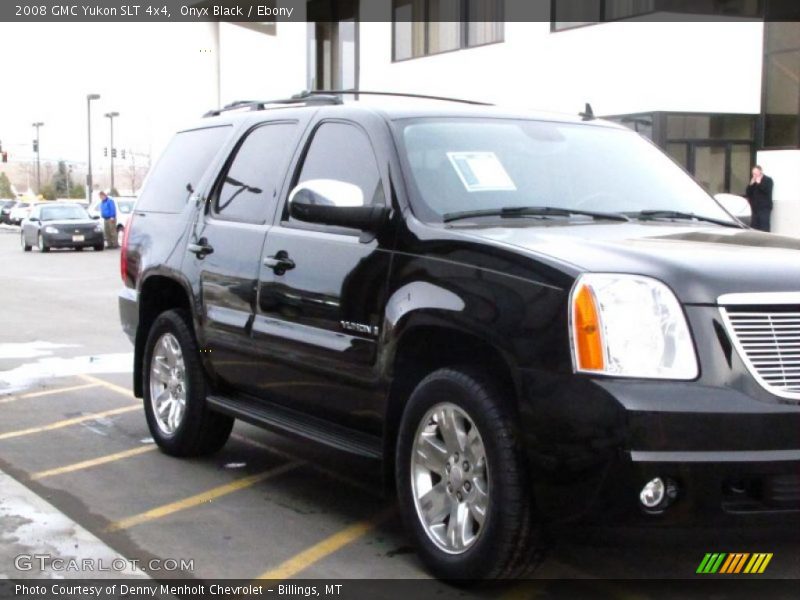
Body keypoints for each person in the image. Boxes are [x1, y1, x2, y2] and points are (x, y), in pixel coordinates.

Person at [745, 165, 774, 232]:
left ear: (760, 172)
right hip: (755, 208)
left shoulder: (768, 180)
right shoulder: (753, 181)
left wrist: (759, 183)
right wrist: (750, 185)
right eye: (753, 174)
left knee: (764, 226)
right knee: (754, 226)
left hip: (764, 208)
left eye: (755, 173)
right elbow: (748, 193)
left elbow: (766, 191)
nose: (754, 175)